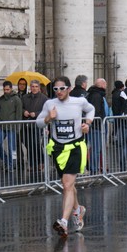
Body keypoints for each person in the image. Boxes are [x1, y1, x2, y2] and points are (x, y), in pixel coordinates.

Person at [37, 76, 95, 238]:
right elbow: (39, 122)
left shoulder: (78, 102)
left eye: (62, 88)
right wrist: (49, 118)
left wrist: (87, 123)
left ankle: (63, 221)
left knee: (67, 185)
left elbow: (91, 109)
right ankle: (78, 209)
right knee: (68, 185)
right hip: (58, 148)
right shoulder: (50, 104)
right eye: (55, 89)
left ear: (69, 88)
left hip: (75, 147)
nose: (59, 92)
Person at [21, 80, 49, 176]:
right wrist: (24, 111)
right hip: (27, 124)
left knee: (36, 143)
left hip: (38, 124)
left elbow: (46, 111)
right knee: (28, 144)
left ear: (39, 88)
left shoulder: (44, 98)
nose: (34, 88)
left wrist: (36, 114)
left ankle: (39, 162)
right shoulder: (25, 97)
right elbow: (21, 107)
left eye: (36, 86)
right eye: (32, 86)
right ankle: (32, 163)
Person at [0, 81, 22, 172]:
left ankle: (11, 165)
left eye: (8, 89)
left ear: (11, 88)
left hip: (12, 127)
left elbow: (19, 114)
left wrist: (18, 127)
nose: (6, 91)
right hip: (1, 126)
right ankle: (6, 160)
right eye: (4, 89)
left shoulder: (16, 99)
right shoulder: (1, 99)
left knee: (12, 148)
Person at [86, 78, 108, 174]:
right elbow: (96, 111)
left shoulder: (94, 94)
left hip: (96, 125)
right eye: (105, 84)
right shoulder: (96, 95)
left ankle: (94, 168)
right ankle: (94, 169)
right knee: (96, 149)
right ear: (102, 85)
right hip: (96, 126)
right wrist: (100, 122)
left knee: (96, 148)